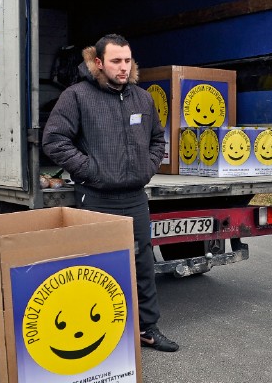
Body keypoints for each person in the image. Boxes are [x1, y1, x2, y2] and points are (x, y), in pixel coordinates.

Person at [42, 34, 179, 352]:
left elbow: (158, 139)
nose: (123, 67)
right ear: (99, 63)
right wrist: (91, 170)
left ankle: (147, 328)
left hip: (134, 197)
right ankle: (98, 333)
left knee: (143, 264)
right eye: (116, 61)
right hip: (96, 198)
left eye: (127, 60)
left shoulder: (142, 99)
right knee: (96, 267)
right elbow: (55, 140)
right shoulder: (77, 96)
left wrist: (147, 168)